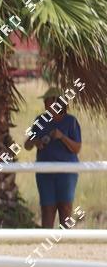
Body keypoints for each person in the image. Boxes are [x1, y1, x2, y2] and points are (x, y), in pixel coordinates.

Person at [24, 86, 82, 229]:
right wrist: (36, 141)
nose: (45, 104)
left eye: (48, 101)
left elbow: (77, 148)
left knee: (65, 208)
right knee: (47, 208)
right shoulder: (40, 120)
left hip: (66, 172)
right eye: (45, 101)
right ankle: (47, 238)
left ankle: (65, 239)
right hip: (45, 173)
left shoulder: (71, 122)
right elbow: (27, 145)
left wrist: (62, 137)